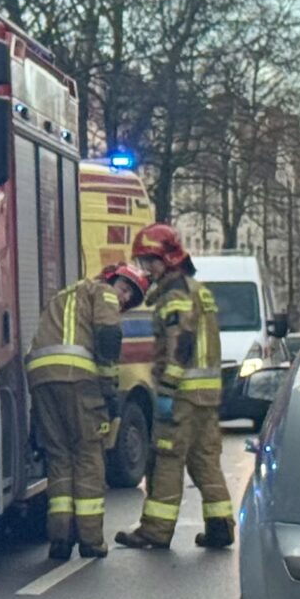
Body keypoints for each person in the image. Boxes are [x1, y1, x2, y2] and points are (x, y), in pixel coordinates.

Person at [117, 222, 235, 551]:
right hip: (207, 394)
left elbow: (178, 342)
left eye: (148, 261)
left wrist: (167, 390)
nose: (145, 269)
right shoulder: (199, 289)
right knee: (205, 459)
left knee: (167, 458)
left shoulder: (175, 295)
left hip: (182, 393)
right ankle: (220, 526)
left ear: (166, 259)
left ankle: (155, 530)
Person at [27, 263, 146, 560]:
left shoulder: (63, 295)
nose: (123, 298)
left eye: (129, 298)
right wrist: (108, 388)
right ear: (111, 279)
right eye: (125, 288)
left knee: (60, 457)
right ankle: (91, 540)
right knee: (89, 455)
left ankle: (60, 538)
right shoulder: (102, 292)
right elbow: (107, 337)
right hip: (77, 379)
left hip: (41, 380)